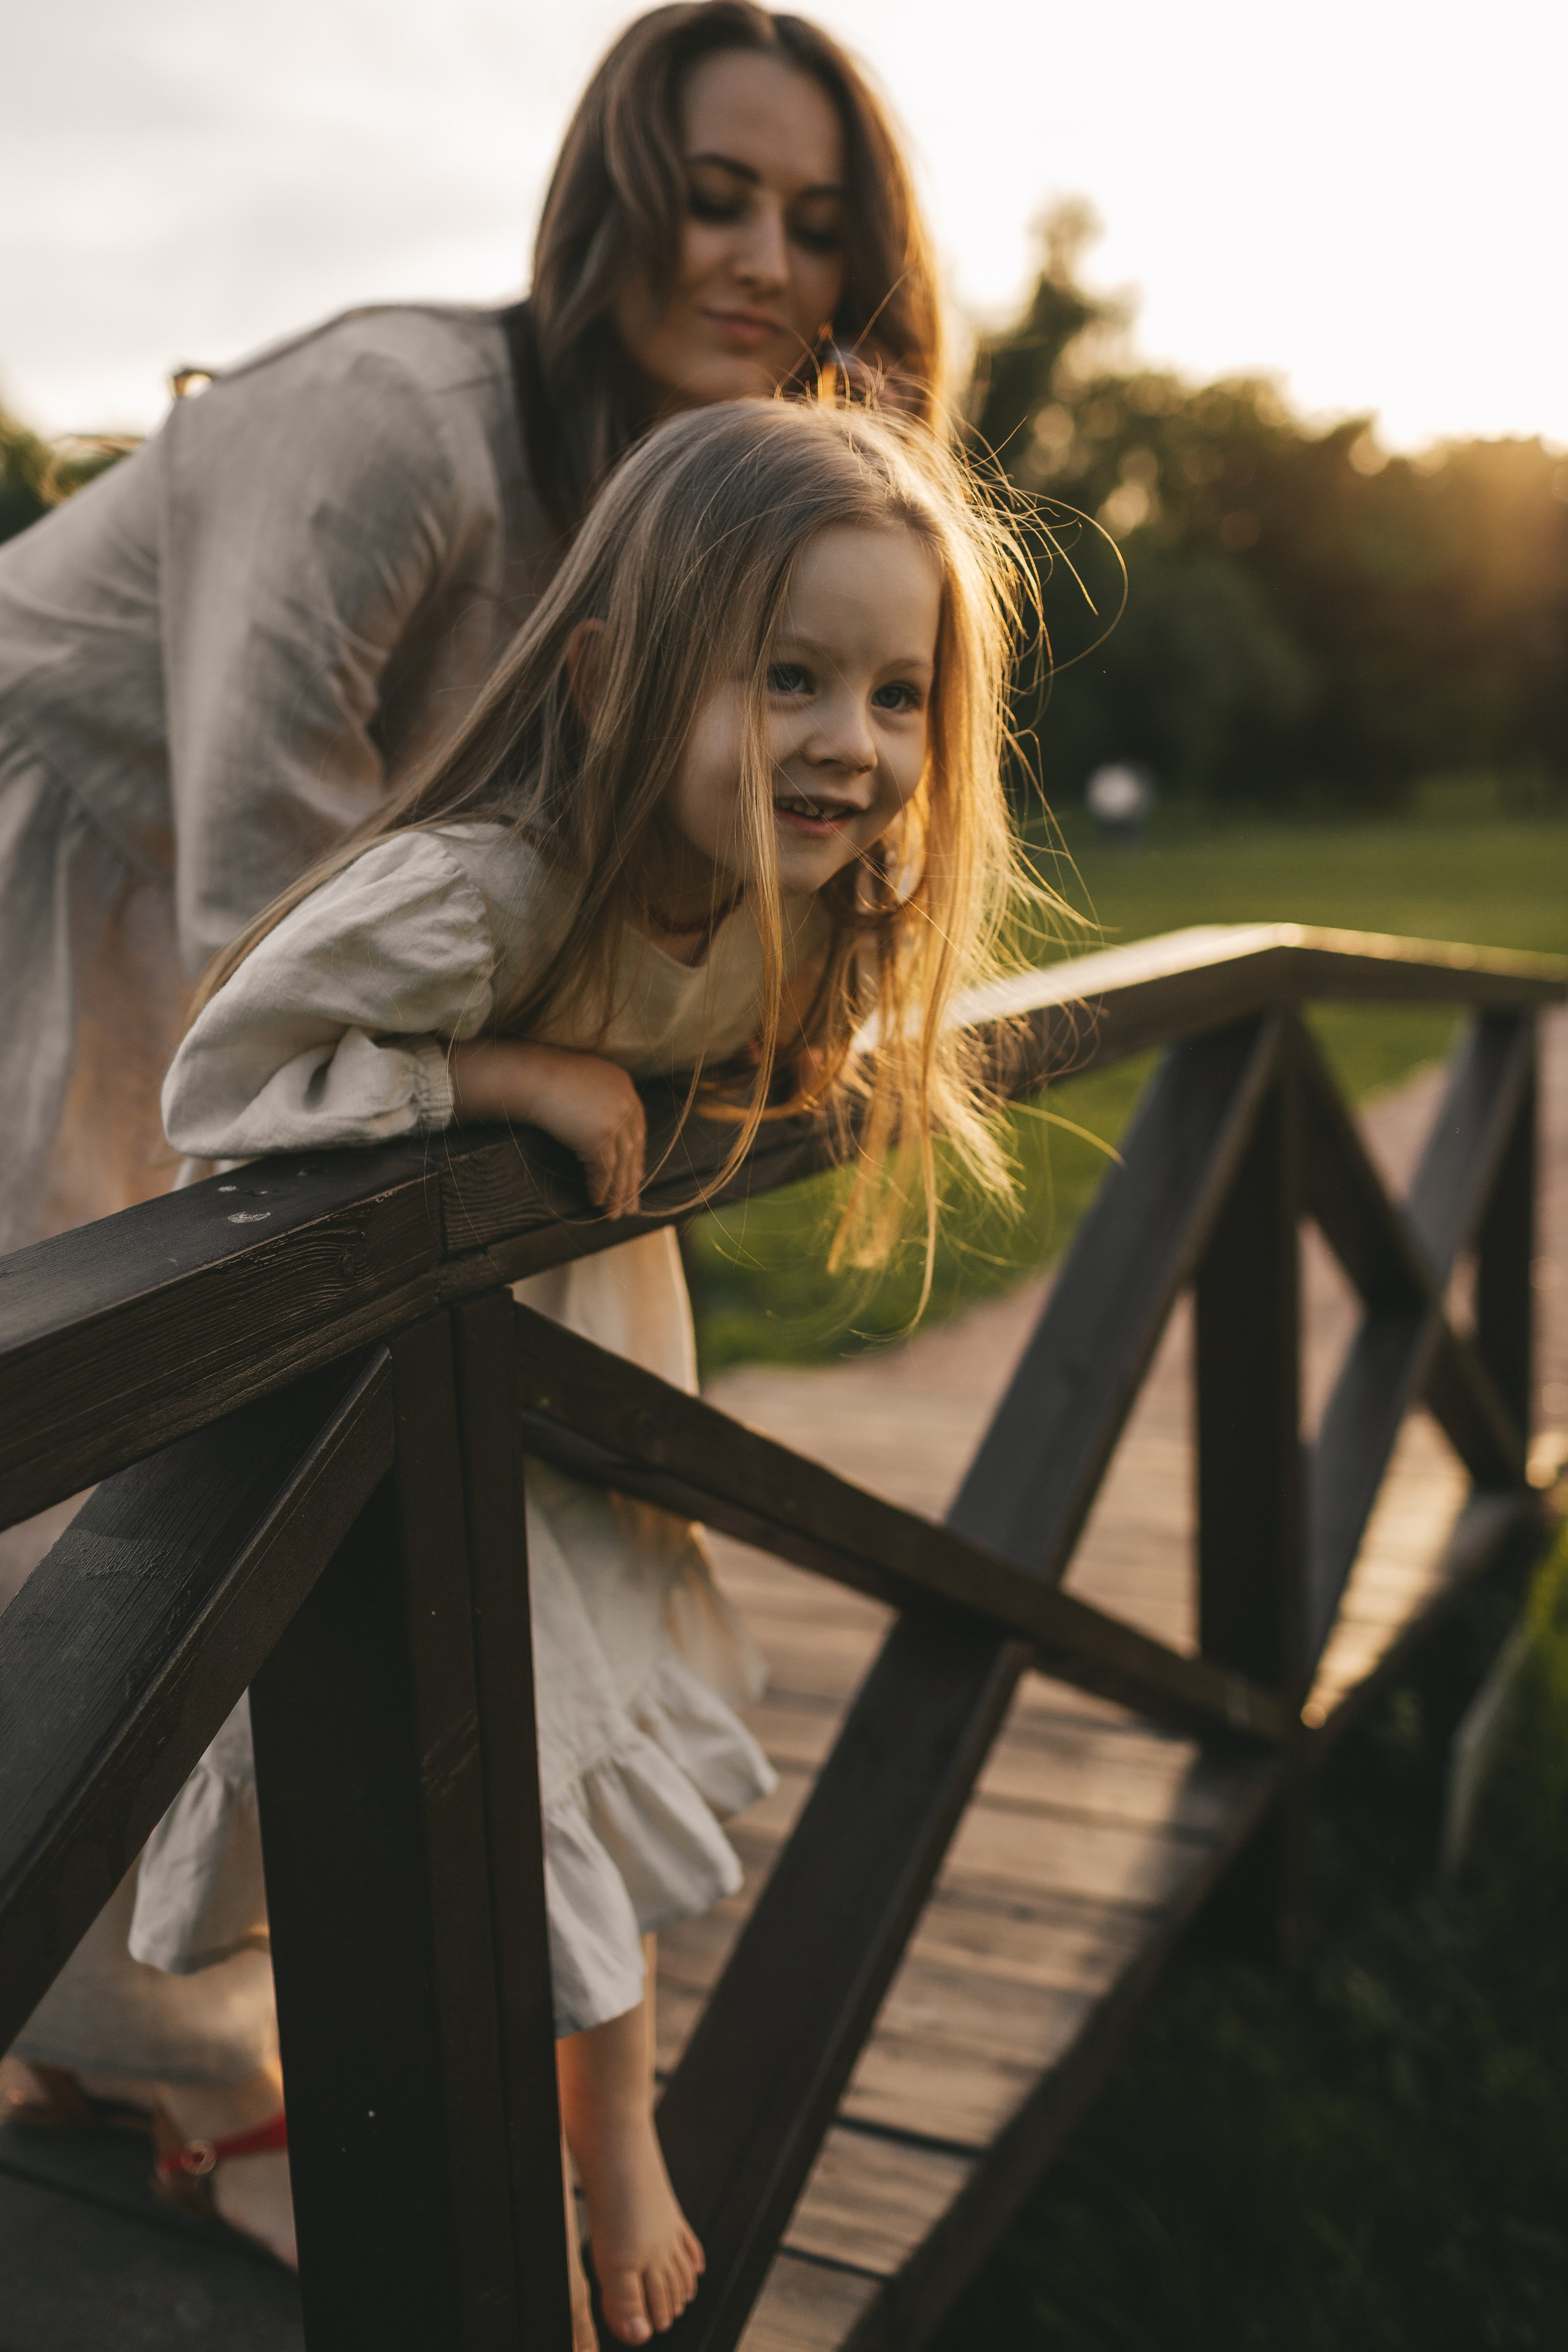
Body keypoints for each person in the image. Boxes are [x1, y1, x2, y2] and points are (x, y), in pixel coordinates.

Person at [0, 0, 947, 2271]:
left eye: (818, 223)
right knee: (96, 1387)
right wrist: (485, 1073)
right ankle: (110, 2019)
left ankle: (206, 1999)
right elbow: (277, 908)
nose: (763, 261)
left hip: (322, 931)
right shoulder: (397, 427)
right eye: (714, 194)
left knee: (322, 1403)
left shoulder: (697, 496)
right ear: (611, 187)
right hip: (73, 846)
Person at [151, 397, 1027, 2342]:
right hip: (379, 1421)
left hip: (571, 1403)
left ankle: (558, 2136)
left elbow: (759, 1015)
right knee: (497, 1790)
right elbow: (216, 1084)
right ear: (623, 673)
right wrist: (496, 1075)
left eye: (898, 695)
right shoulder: (483, 895)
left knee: (560, 1777)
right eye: (789, 676)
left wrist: (786, 1060)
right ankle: (542, 2158)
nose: (853, 743)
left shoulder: (772, 887)